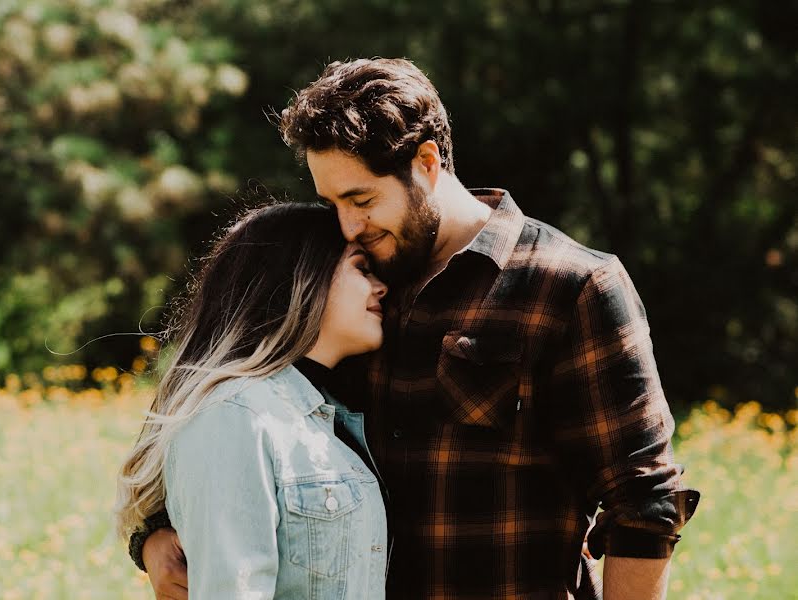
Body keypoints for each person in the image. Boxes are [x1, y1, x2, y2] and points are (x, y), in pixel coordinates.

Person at [130, 59, 700, 599]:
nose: (349, 226)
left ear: (427, 164)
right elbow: (222, 401)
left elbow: (643, 504)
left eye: (362, 199)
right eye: (332, 203)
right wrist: (155, 533)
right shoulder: (344, 288)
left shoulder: (571, 286)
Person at [115, 202, 390, 599]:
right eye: (360, 267)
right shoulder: (234, 415)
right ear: (300, 276)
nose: (381, 287)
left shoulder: (326, 415)